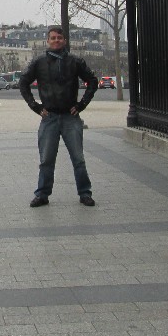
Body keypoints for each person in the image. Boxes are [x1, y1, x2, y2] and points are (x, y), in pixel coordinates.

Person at [19, 26, 99, 208]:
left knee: (78, 158)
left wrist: (81, 104)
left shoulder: (75, 61)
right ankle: (42, 194)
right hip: (50, 116)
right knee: (46, 159)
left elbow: (92, 81)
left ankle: (85, 193)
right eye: (53, 38)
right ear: (48, 41)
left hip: (70, 115)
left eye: (59, 38)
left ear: (64, 40)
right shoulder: (39, 62)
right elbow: (23, 83)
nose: (56, 40)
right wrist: (35, 106)